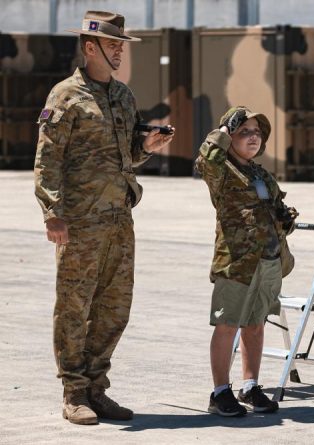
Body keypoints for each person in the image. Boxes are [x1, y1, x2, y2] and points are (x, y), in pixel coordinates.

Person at [34, 10, 174, 425]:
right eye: (113, 45)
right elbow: (47, 159)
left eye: (121, 46)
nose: (119, 52)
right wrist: (52, 213)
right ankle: (73, 392)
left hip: (118, 219)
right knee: (75, 306)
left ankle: (97, 389)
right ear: (90, 46)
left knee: (114, 309)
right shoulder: (66, 96)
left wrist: (146, 145)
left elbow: (126, 155)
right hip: (79, 221)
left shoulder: (123, 96)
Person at [196, 106, 297, 415]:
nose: (253, 137)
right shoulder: (222, 172)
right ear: (230, 137)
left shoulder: (260, 172)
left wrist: (286, 217)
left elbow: (275, 207)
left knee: (255, 324)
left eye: (257, 132)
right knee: (227, 325)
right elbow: (205, 158)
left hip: (268, 259)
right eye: (245, 132)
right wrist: (225, 130)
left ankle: (250, 386)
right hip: (237, 262)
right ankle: (219, 392)